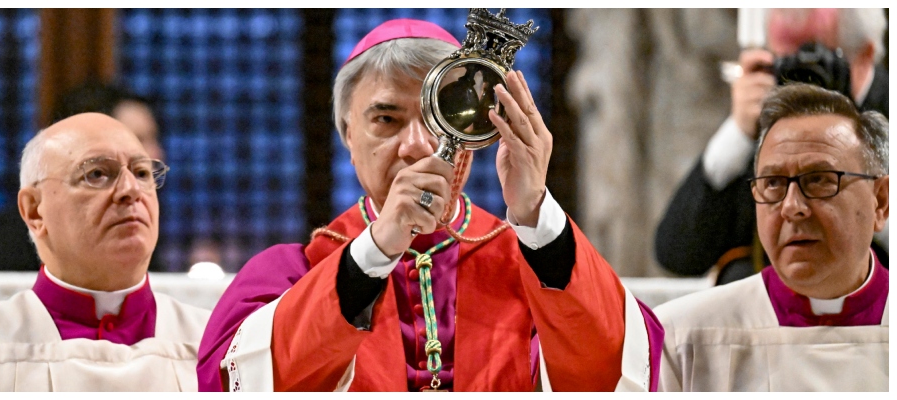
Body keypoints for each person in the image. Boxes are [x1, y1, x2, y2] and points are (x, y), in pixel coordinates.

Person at [196, 19, 664, 392]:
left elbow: (612, 370)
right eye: (386, 118)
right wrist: (375, 251)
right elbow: (236, 380)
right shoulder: (291, 275)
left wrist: (536, 214)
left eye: (435, 117)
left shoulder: (536, 265)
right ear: (347, 135)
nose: (416, 145)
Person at [0, 113, 210, 391]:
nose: (131, 190)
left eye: (142, 173)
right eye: (97, 174)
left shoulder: (216, 343)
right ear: (35, 210)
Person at [656, 84, 889, 391]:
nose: (792, 207)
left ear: (880, 202)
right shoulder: (682, 337)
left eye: (819, 180)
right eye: (774, 183)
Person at [655, 8, 888, 284]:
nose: (802, 81)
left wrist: (853, 140)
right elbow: (678, 255)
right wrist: (740, 131)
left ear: (864, 56)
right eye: (787, 63)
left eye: (819, 61)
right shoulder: (768, 130)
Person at [0, 81, 170, 272]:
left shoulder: (135, 223)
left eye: (153, 138)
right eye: (139, 139)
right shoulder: (8, 242)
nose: (155, 154)